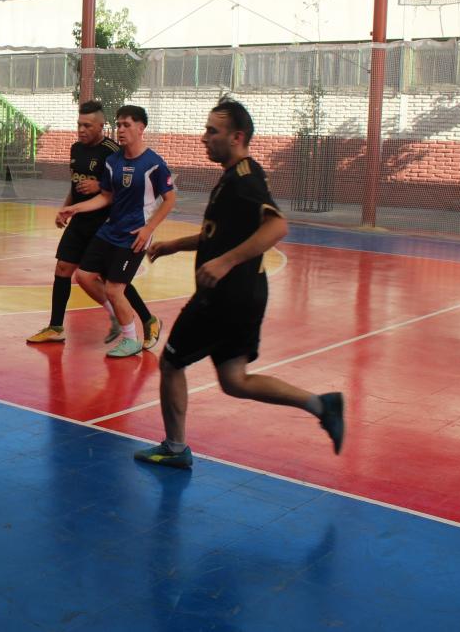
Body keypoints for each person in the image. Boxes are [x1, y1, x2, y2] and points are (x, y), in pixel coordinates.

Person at [135, 99, 343, 469]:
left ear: (237, 137)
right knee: (235, 380)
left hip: (224, 298)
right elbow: (219, 235)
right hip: (245, 295)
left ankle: (175, 448)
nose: (204, 138)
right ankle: (321, 405)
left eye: (212, 131)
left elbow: (277, 226)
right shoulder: (233, 177)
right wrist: (174, 245)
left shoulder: (245, 179)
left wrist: (225, 262)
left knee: (171, 363)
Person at [28, 101, 161, 348]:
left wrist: (99, 186)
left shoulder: (113, 151)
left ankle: (146, 319)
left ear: (101, 126)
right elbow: (75, 185)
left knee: (112, 280)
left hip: (104, 223)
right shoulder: (76, 149)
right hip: (80, 219)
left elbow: (121, 188)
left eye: (87, 125)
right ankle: (56, 327)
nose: (81, 130)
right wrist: (66, 209)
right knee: (63, 269)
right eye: (79, 124)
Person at [58, 105, 177, 358]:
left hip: (134, 235)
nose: (121, 130)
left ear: (141, 128)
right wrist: (74, 208)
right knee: (84, 276)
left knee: (114, 289)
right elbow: (106, 197)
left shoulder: (153, 164)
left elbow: (169, 199)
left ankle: (130, 339)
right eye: (119, 125)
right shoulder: (113, 162)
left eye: (127, 125)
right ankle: (122, 315)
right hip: (110, 230)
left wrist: (148, 229)